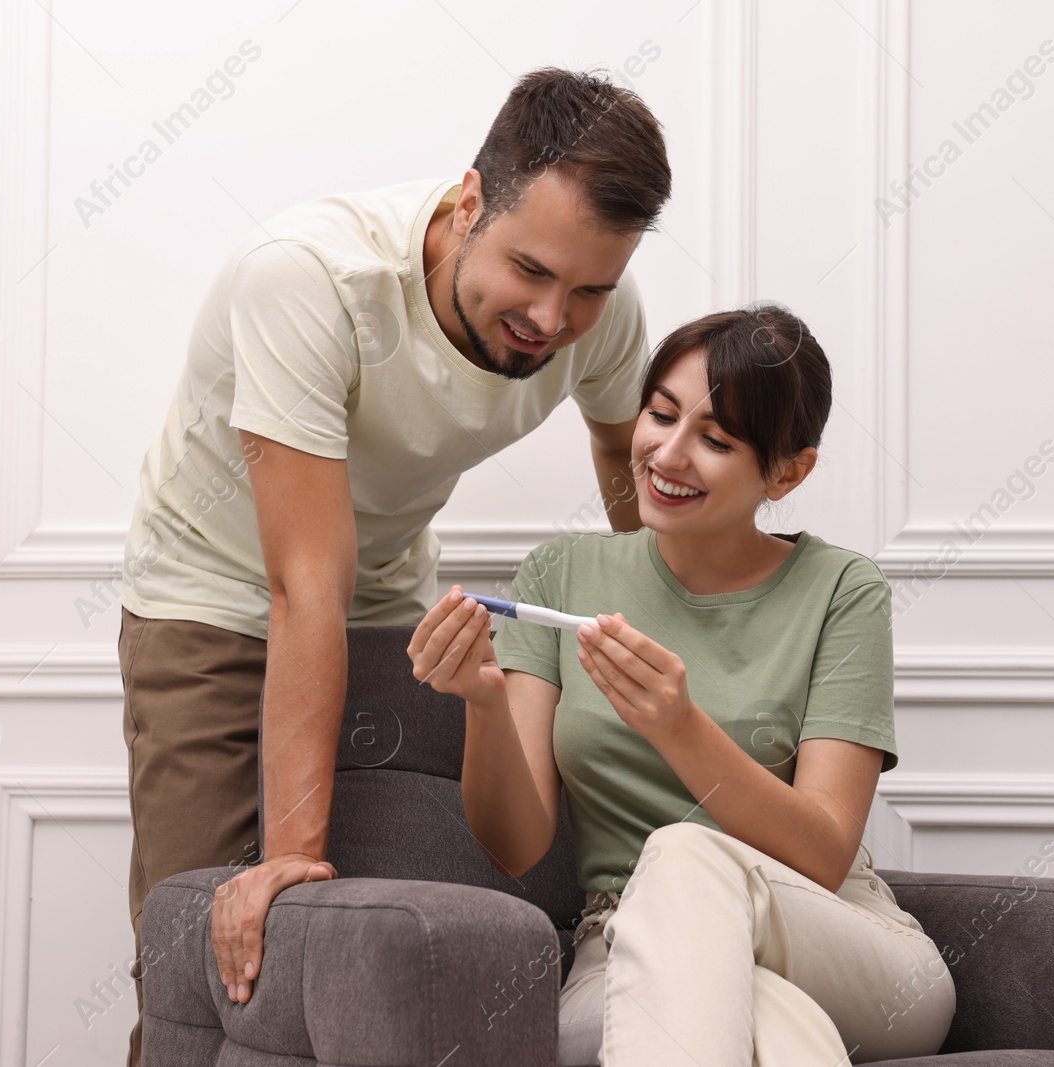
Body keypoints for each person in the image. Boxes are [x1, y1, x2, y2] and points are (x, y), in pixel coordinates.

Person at [115, 67, 672, 1065]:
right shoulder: (309, 279)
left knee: (354, 939)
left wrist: (641, 607)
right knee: (212, 943)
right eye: (530, 272)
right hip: (212, 594)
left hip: (380, 595)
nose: (552, 319)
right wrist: (287, 855)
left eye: (586, 289)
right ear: (467, 204)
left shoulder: (602, 310)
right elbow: (303, 585)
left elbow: (620, 448)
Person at [406, 305, 956, 1064]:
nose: (667, 452)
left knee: (687, 853)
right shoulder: (562, 574)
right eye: (660, 415)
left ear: (788, 470)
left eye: (716, 440)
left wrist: (680, 729)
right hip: (624, 948)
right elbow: (516, 845)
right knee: (767, 1020)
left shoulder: (840, 590)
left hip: (834, 938)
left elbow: (824, 852)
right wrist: (484, 701)